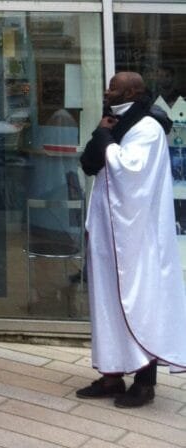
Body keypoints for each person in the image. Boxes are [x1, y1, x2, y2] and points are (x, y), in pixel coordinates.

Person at [76, 71, 186, 407]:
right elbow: (91, 163)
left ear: (135, 92)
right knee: (107, 302)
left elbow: (129, 170)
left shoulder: (148, 128)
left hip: (137, 235)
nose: (108, 91)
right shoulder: (114, 121)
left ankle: (144, 381)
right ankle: (112, 375)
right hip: (109, 231)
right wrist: (103, 133)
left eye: (115, 87)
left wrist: (106, 139)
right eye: (109, 86)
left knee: (140, 300)